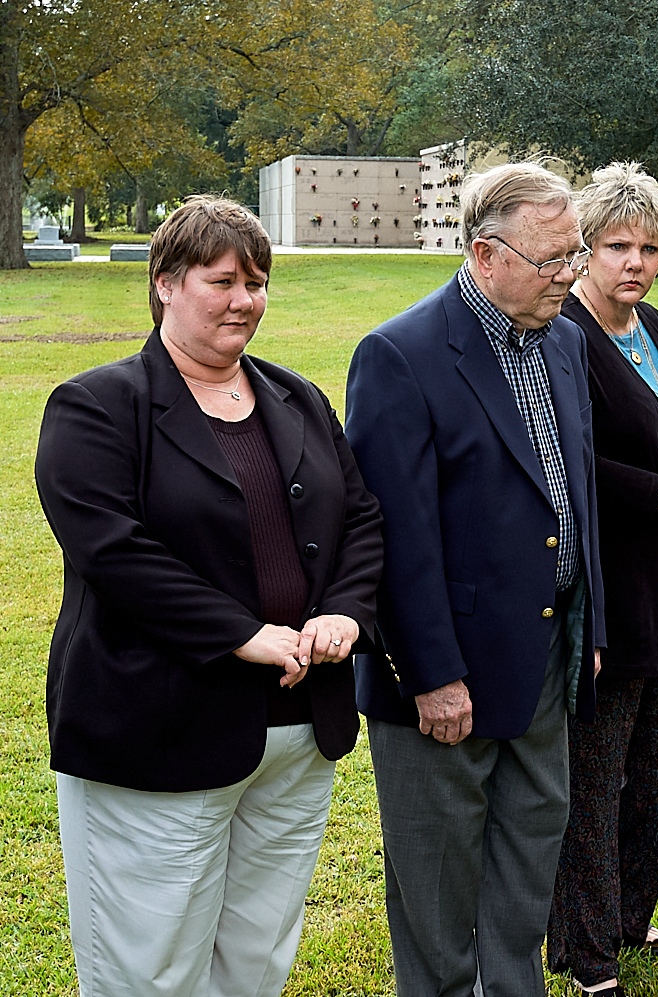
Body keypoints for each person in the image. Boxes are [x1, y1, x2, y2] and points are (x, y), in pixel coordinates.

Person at [34, 195, 384, 997]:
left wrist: (344, 612)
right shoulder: (96, 407)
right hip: (159, 728)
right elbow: (113, 552)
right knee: (147, 967)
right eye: (220, 280)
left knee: (256, 959)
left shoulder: (297, 397)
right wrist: (242, 632)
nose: (244, 300)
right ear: (164, 284)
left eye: (257, 281)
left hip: (298, 731)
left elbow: (361, 517)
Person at [345, 162, 605, 996]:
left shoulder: (566, 337)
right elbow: (392, 535)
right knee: (436, 890)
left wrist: (586, 629)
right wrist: (432, 676)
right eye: (553, 258)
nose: (572, 273)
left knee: (530, 860)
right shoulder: (401, 354)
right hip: (443, 677)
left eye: (577, 252)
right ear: (485, 254)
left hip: (543, 654)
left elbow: (579, 489)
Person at [545, 162, 658, 996]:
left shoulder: (653, 324)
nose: (635, 263)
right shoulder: (561, 336)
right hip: (609, 589)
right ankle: (588, 955)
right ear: (582, 250)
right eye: (617, 244)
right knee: (595, 774)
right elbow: (574, 461)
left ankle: (625, 906)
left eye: (649, 247)